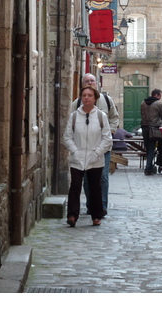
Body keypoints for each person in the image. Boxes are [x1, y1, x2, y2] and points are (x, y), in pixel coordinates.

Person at [63, 85, 113, 227]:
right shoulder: (74, 116)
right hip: (77, 159)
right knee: (75, 186)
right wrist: (75, 151)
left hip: (95, 158)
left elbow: (107, 138)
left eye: (90, 95)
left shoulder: (100, 116)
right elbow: (67, 137)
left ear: (95, 98)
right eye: (84, 95)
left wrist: (97, 152)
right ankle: (72, 215)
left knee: (95, 187)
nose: (86, 98)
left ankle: (96, 215)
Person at [71, 73, 119, 216]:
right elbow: (71, 122)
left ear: (96, 83)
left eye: (92, 81)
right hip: (84, 148)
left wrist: (110, 131)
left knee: (102, 177)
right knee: (86, 179)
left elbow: (114, 118)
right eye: (87, 81)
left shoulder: (106, 100)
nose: (90, 83)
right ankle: (91, 205)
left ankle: (102, 206)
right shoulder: (77, 103)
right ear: (82, 85)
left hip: (103, 147)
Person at [140, 88, 162, 175]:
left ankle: (149, 166)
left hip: (144, 127)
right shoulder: (159, 103)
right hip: (154, 128)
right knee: (151, 148)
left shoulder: (143, 102)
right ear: (157, 95)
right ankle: (148, 168)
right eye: (160, 96)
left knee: (148, 148)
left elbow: (142, 114)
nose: (160, 97)